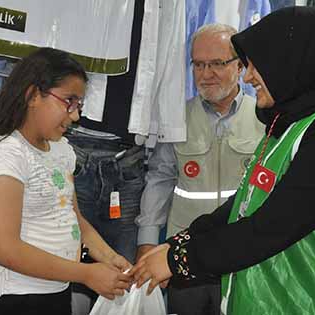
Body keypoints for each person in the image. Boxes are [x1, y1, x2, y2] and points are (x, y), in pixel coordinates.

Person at [132, 7, 315, 315]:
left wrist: (180, 260)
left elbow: (274, 225)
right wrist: (179, 243)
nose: (248, 77)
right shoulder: (291, 123)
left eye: (257, 65)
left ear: (292, 60)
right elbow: (245, 202)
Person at [0, 48, 132, 315]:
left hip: (55, 292)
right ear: (32, 95)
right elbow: (5, 250)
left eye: (79, 105)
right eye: (69, 101)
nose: (75, 115)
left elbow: (75, 219)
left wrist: (111, 259)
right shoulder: (8, 153)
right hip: (9, 300)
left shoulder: (62, 149)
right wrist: (85, 274)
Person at [134, 23, 265, 315]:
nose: (206, 74)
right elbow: (160, 180)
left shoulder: (265, 119)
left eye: (217, 64)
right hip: (186, 259)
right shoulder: (176, 119)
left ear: (240, 65)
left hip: (243, 258)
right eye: (198, 64)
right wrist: (147, 242)